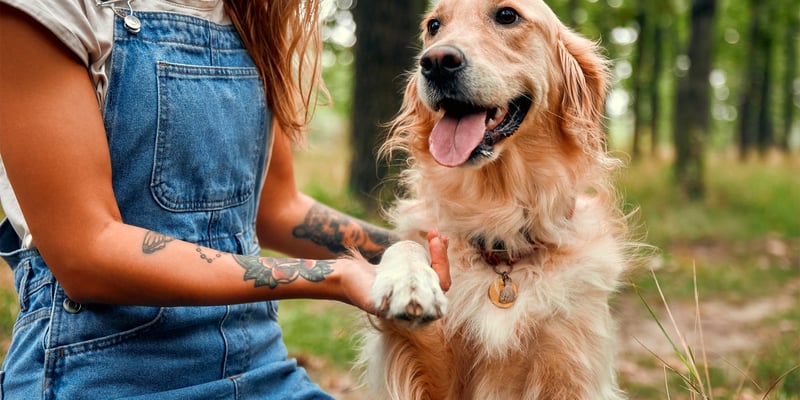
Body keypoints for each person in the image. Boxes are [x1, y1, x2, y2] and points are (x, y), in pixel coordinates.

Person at [0, 0, 450, 398]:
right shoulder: (48, 8)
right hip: (100, 373)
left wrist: (416, 253)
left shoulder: (251, 16)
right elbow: (87, 252)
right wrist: (335, 277)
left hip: (260, 367)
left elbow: (277, 210)